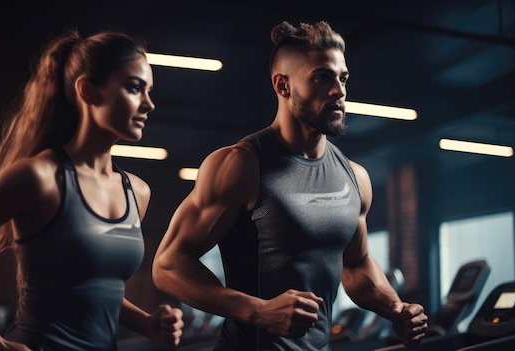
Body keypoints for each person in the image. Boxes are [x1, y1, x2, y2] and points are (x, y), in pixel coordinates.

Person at [152, 20, 428, 350]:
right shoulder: (240, 165)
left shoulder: (355, 177)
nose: (339, 91)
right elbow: (168, 264)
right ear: (283, 86)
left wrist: (395, 308)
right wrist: (258, 310)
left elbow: (356, 265)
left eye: (343, 78)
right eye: (323, 77)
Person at [0, 28, 184, 351]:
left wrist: (147, 323)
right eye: (135, 88)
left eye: (149, 90)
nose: (149, 104)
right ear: (87, 90)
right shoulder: (38, 177)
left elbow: (93, 291)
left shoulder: (137, 192)